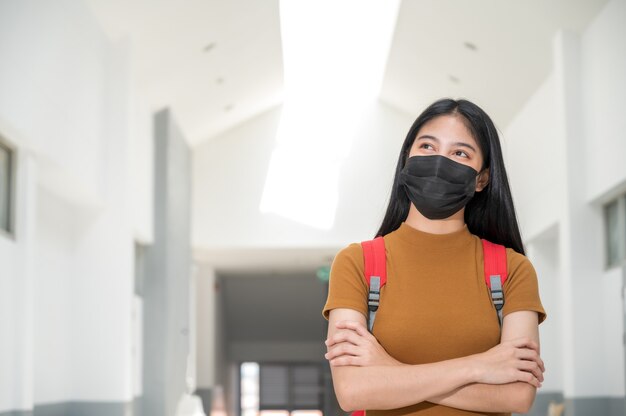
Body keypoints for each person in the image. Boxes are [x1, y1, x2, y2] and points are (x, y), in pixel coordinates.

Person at [321, 98, 547, 416]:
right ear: (407, 159)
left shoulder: (512, 270)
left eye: (460, 153)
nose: (440, 161)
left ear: (482, 178)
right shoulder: (357, 263)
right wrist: (480, 366)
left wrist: (387, 369)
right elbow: (353, 391)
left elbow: (517, 397)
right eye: (427, 146)